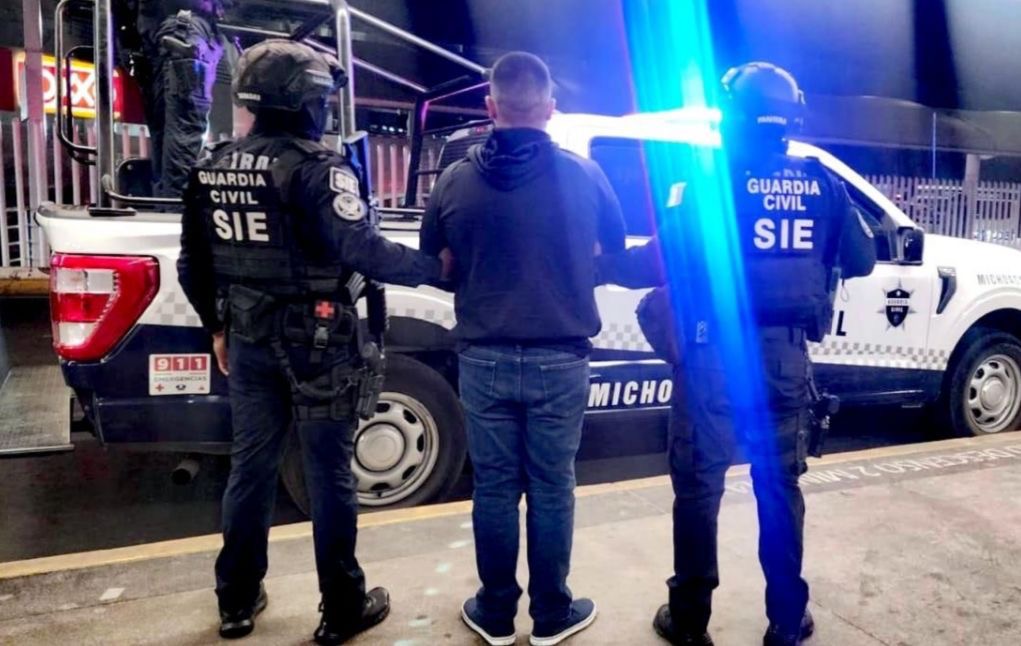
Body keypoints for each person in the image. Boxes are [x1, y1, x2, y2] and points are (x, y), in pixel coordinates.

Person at [177, 39, 451, 644]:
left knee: (251, 469)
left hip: (247, 337)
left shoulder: (212, 166)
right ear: (305, 102)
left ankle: (236, 602)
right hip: (318, 342)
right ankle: (342, 609)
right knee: (328, 475)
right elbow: (363, 250)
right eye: (322, 99)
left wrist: (217, 328)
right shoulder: (318, 168)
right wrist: (436, 268)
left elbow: (192, 264)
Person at [597, 62, 877, 646]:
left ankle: (690, 623)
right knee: (779, 489)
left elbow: (655, 262)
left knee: (699, 490)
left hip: (713, 359)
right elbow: (862, 259)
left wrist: (594, 264)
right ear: (789, 119)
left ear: (731, 117)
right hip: (785, 360)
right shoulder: (823, 184)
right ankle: (785, 622)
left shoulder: (712, 183)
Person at [420, 52, 627, 646]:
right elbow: (612, 252)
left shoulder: (455, 178)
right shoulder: (586, 175)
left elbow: (437, 260)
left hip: (483, 358)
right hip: (561, 358)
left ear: (491, 107)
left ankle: (494, 612)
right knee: (552, 487)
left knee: (494, 488)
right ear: (550, 109)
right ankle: (552, 613)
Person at [117, 0, 229, 197]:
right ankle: (172, 209)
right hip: (173, 34)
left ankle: (170, 209)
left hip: (168, 33)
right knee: (175, 142)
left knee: (172, 144)